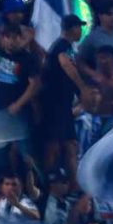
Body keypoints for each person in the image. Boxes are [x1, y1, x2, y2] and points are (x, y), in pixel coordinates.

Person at [41, 15, 90, 179]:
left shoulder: (67, 46)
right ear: (72, 28)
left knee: (71, 145)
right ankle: (46, 183)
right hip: (54, 105)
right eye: (79, 27)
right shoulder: (62, 46)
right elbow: (65, 64)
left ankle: (75, 184)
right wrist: (82, 87)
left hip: (64, 104)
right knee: (53, 146)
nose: (81, 31)